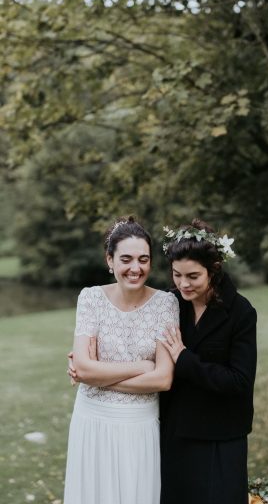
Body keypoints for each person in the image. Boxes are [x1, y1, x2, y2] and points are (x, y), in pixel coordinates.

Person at [64, 216, 179, 504]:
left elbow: (163, 379)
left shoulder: (166, 304)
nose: (135, 268)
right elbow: (83, 367)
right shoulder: (90, 299)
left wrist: (96, 376)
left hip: (139, 425)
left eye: (143, 259)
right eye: (126, 259)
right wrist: (142, 367)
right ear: (110, 260)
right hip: (92, 421)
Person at [159, 218, 257, 504]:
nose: (182, 284)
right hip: (176, 431)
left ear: (213, 270)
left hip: (221, 435)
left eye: (193, 276)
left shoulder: (241, 312)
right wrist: (89, 363)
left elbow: (239, 381)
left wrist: (184, 358)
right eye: (177, 275)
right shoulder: (170, 304)